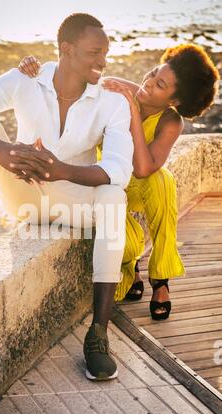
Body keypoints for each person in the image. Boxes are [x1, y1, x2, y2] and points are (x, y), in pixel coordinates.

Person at [0, 13, 134, 381]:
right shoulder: (25, 79)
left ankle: (98, 334)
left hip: (74, 200)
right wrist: (1, 148)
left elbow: (120, 168)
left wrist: (63, 170)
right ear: (67, 50)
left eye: (106, 53)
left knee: (113, 196)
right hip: (25, 193)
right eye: (95, 52)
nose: (103, 62)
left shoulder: (112, 102)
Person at [19, 43, 219, 320]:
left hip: (140, 183)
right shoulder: (118, 89)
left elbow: (144, 168)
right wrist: (35, 67)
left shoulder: (170, 121)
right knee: (125, 243)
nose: (147, 83)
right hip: (107, 183)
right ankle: (132, 264)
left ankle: (161, 280)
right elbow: (72, 72)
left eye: (159, 84)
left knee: (162, 180)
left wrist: (134, 115)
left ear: (173, 101)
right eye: (151, 73)